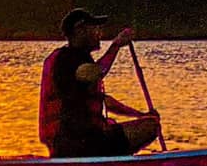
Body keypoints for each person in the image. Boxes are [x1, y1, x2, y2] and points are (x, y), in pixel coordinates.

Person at [39, 8, 161, 158]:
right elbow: (97, 72)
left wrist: (140, 114)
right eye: (94, 28)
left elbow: (104, 101)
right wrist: (116, 46)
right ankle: (112, 161)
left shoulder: (82, 58)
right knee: (150, 127)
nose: (99, 33)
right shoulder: (66, 59)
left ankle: (115, 160)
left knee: (145, 122)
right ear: (80, 30)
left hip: (83, 139)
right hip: (75, 140)